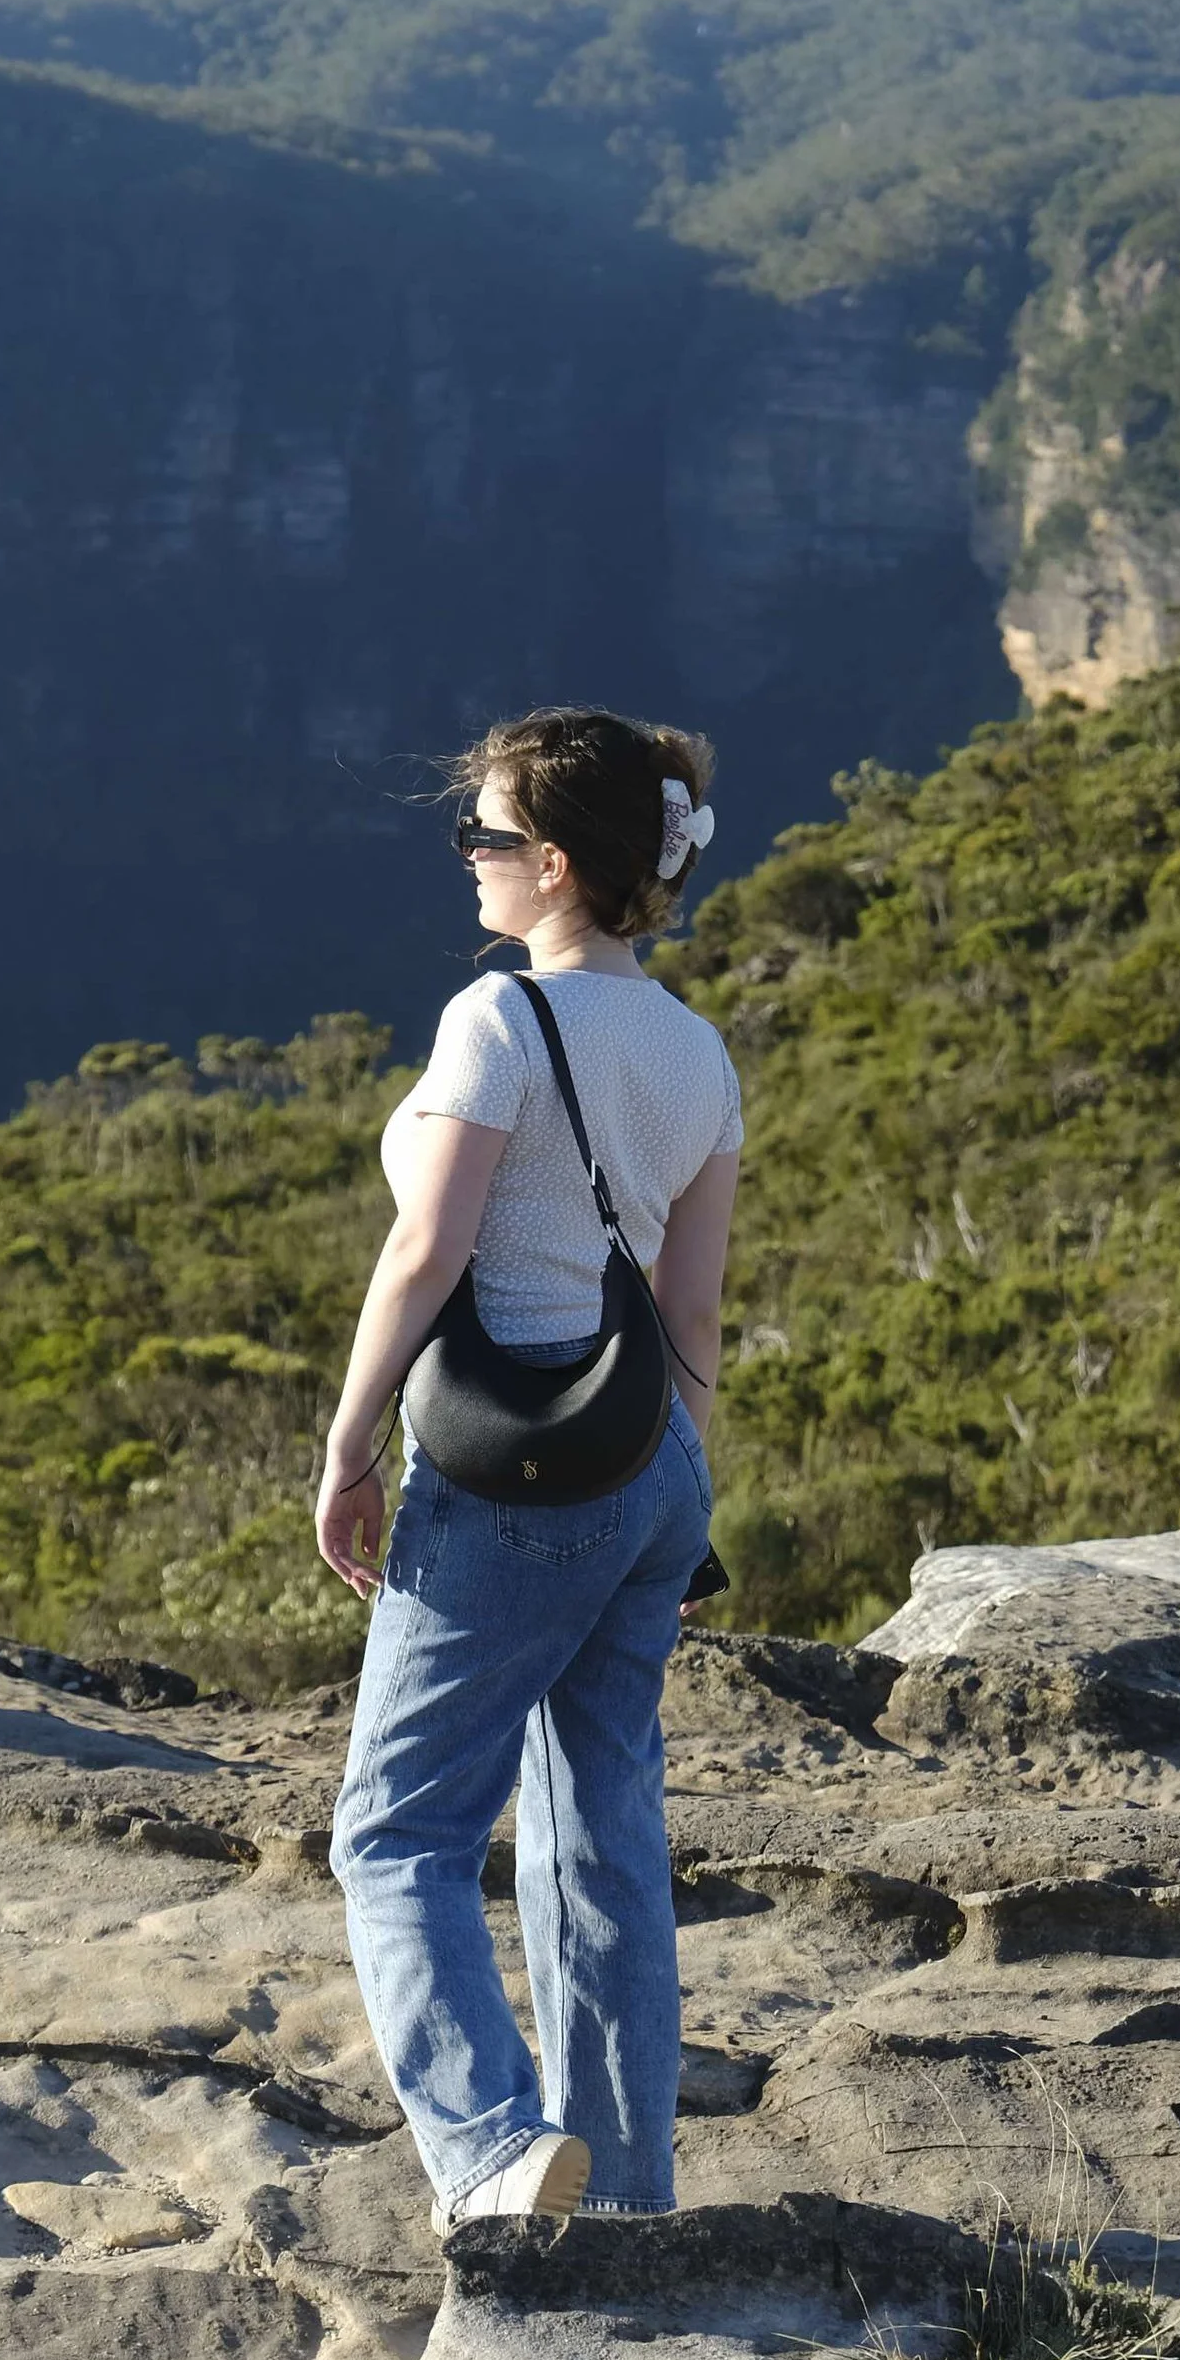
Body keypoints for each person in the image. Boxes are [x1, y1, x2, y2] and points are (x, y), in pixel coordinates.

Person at [316, 706, 743, 2231]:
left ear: (555, 864)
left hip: (514, 1485)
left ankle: (494, 2146)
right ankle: (624, 2193)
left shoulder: (497, 1020)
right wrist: (679, 1503)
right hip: (651, 1467)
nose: (471, 862)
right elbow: (691, 1313)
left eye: (485, 836)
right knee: (603, 1826)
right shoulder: (698, 1052)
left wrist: (349, 1438)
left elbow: (428, 1248)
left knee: (398, 1829)